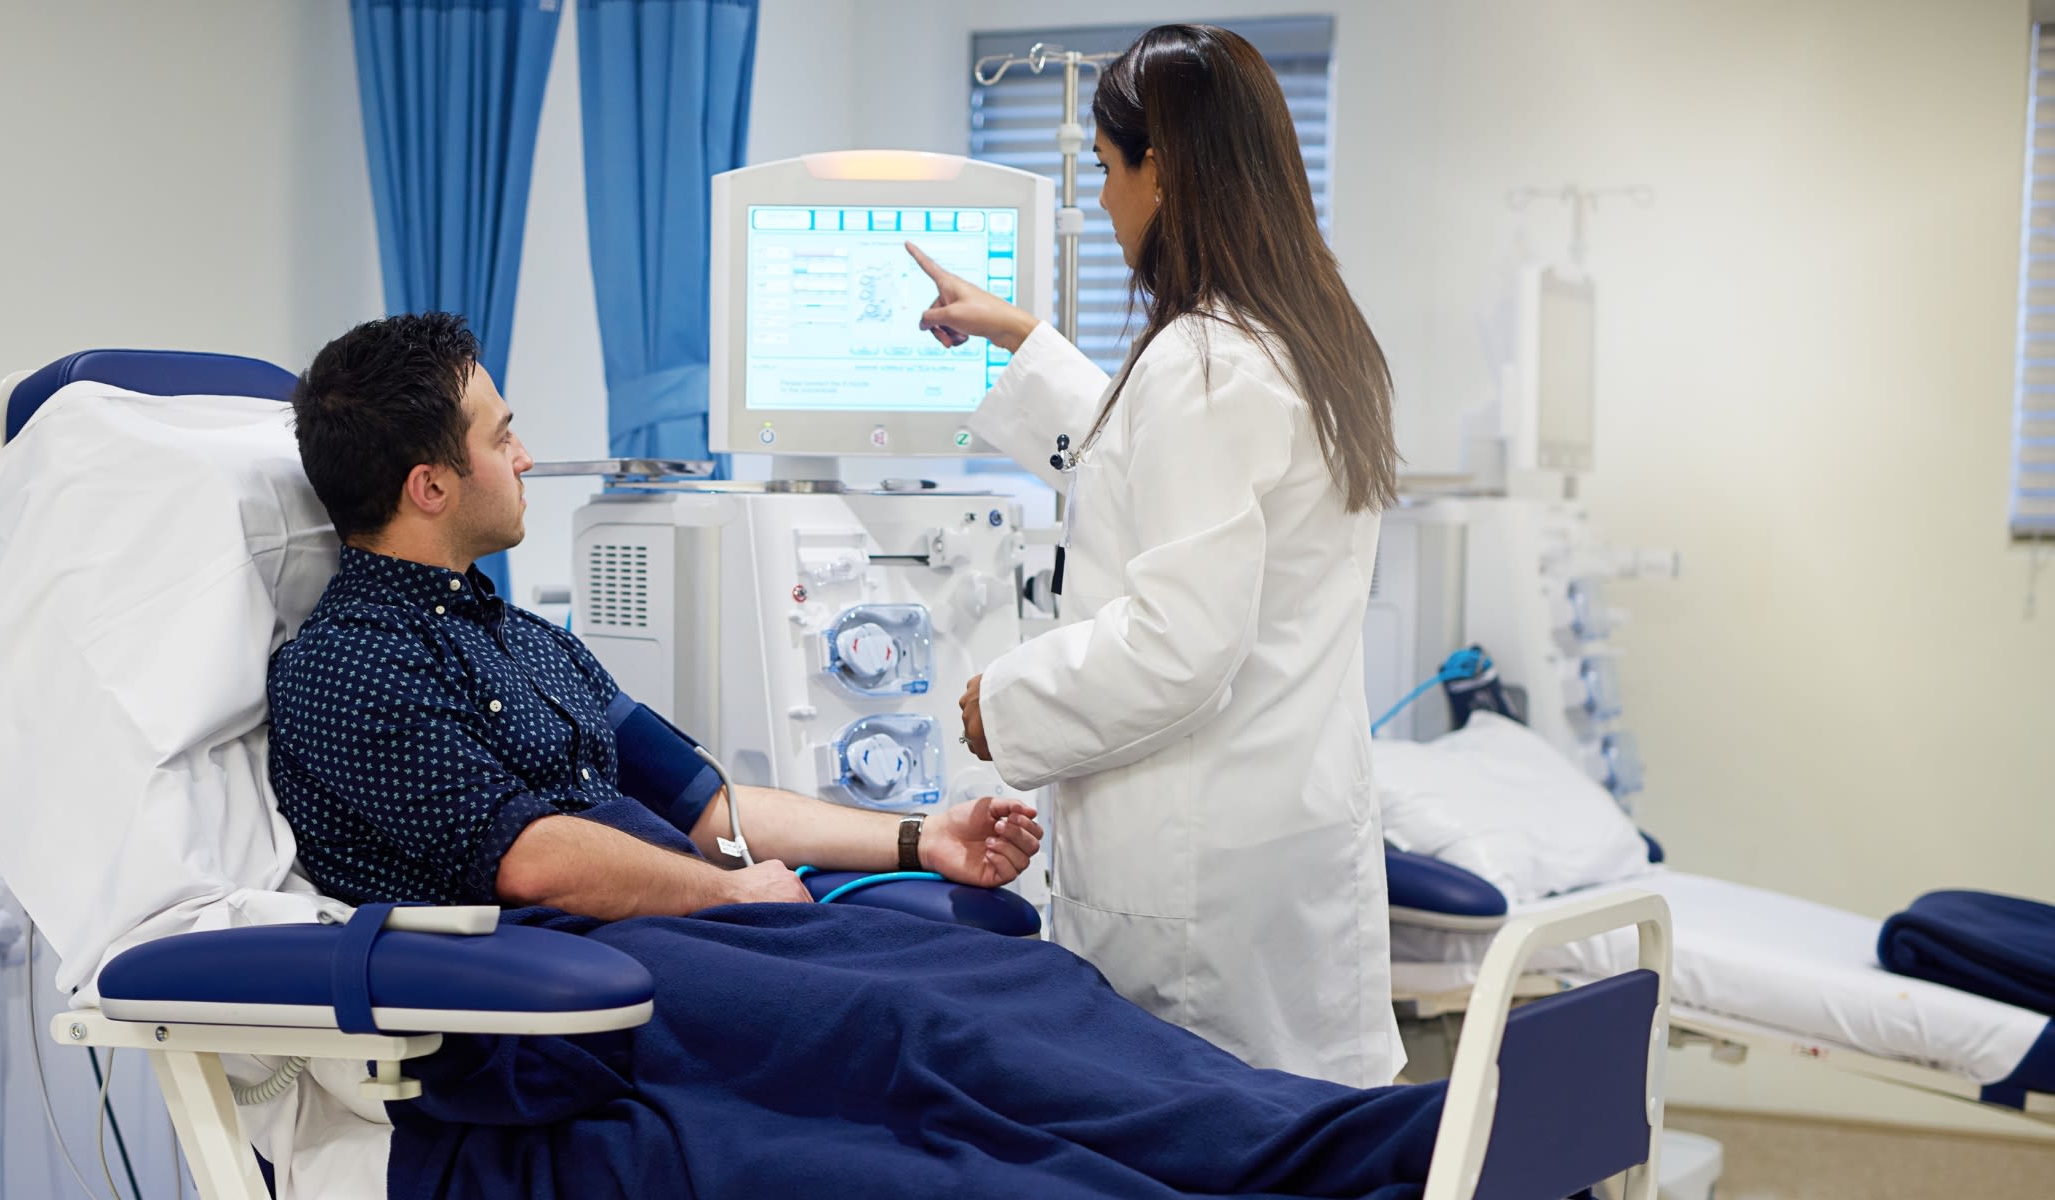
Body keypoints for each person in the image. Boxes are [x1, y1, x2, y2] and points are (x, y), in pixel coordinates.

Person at [905, 23, 1401, 1086]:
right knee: (1298, 1143)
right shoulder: (1307, 341)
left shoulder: (1205, 363)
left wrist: (1009, 701)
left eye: (1104, 168)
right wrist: (1022, 338)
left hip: (1196, 874)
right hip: (1283, 831)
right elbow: (1157, 467)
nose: (1104, 198)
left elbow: (1181, 645)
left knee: (1203, 1163)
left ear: (1161, 170)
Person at [266, 310, 1042, 913]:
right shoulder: (346, 669)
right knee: (943, 1027)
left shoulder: (531, 643)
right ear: (430, 488)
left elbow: (708, 805)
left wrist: (923, 837)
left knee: (1011, 978)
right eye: (504, 440)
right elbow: (529, 859)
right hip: (580, 986)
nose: (526, 457)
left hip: (685, 936)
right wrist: (727, 893)